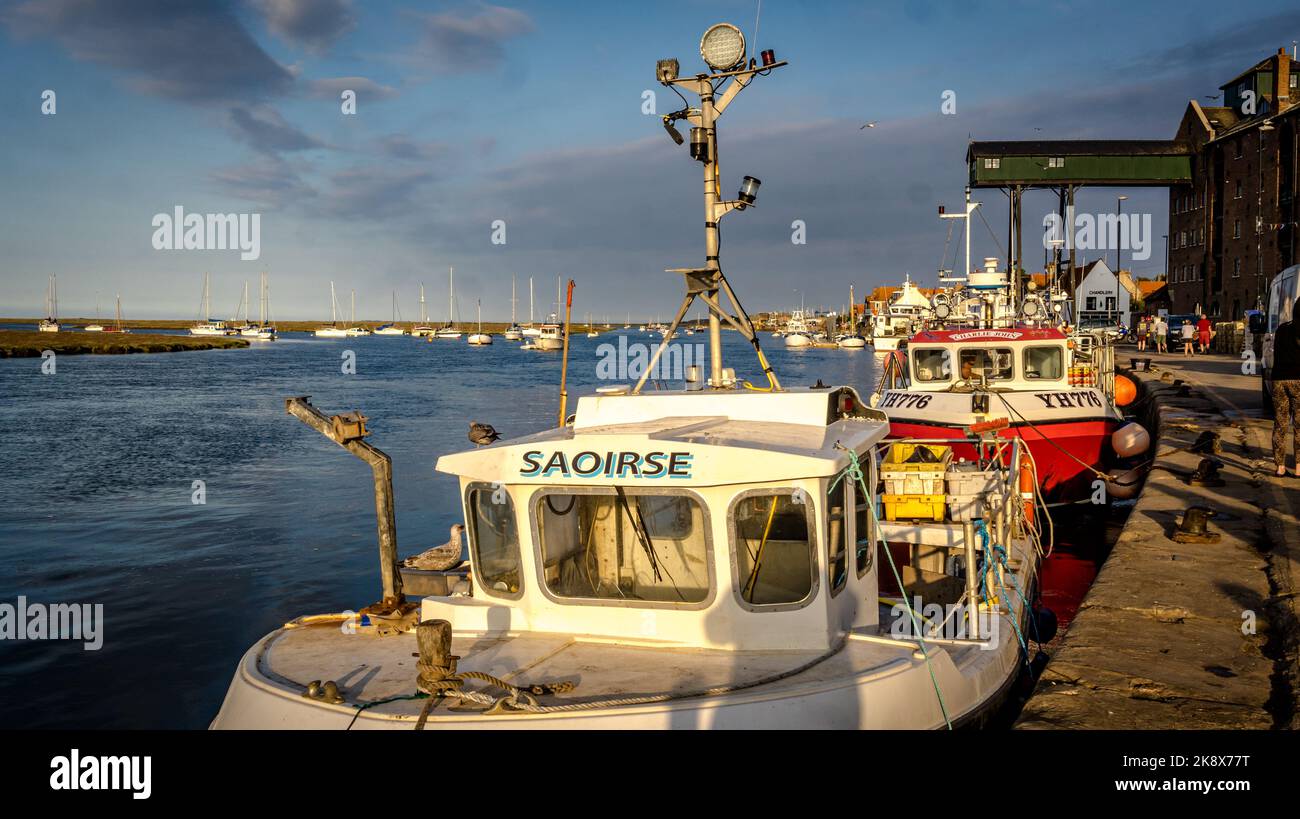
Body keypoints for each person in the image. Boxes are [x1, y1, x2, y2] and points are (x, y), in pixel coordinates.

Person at [1272, 296, 1300, 477]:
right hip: (1299, 380)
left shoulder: (1282, 329)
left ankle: (1280, 466)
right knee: (1299, 425)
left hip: (1279, 380)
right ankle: (1299, 468)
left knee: (1280, 423)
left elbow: (1276, 353)